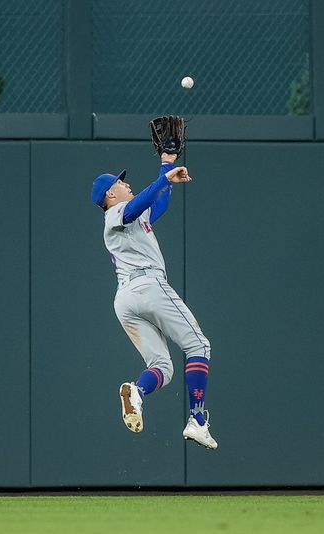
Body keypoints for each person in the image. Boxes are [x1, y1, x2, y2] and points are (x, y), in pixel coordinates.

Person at [90, 151, 217, 450]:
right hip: (147, 285)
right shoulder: (114, 214)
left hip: (126, 299)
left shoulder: (131, 216)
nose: (127, 184)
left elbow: (157, 202)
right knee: (199, 346)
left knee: (163, 366)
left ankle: (136, 391)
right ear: (111, 193)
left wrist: (167, 165)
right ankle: (197, 420)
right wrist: (162, 178)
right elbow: (139, 203)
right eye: (122, 182)